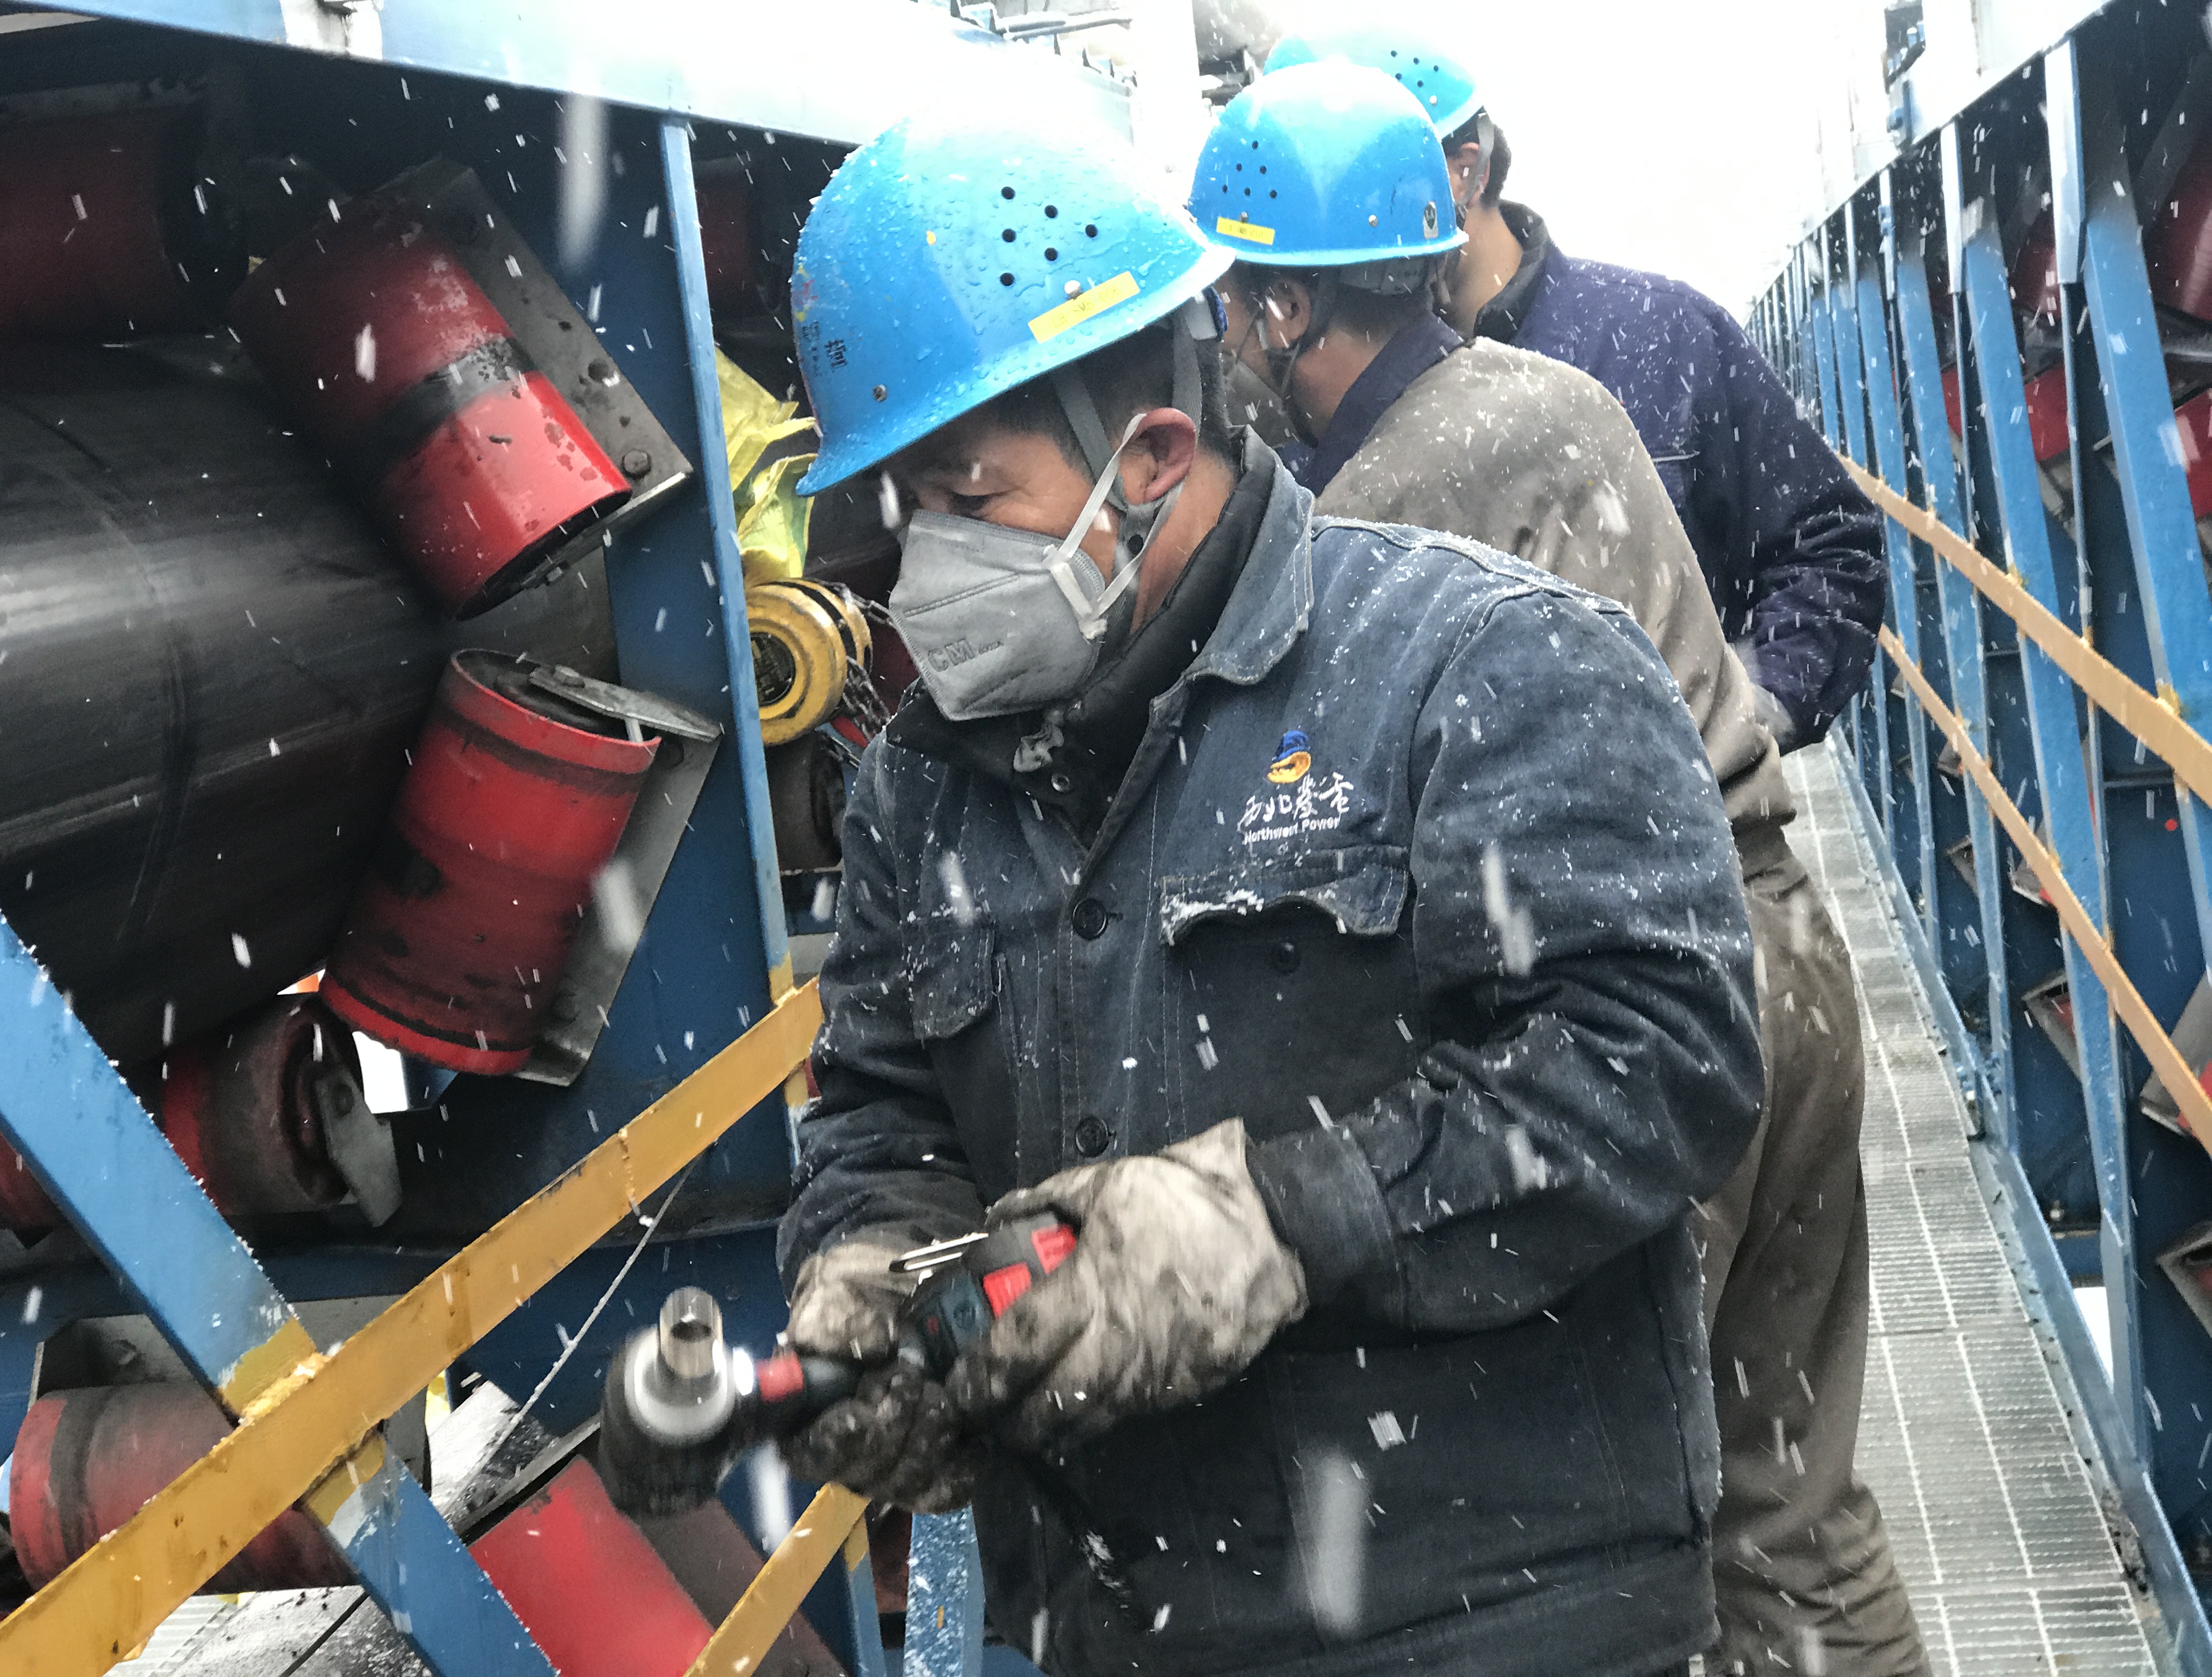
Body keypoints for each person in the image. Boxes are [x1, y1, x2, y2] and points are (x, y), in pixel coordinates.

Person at [774, 106, 1764, 1677]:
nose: (925, 571)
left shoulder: (1476, 662)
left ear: (1153, 462)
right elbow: (884, 1108)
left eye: (967, 501)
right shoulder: (923, 783)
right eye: (898, 518)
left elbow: (1663, 1059)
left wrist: (1283, 1221)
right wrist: (872, 1270)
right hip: (1117, 1626)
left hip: (1487, 1622)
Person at [1191, 59, 1929, 1677]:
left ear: (1287, 313)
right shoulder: (1556, 399)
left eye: (1238, 307)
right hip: (1780, 958)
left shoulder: (1383, 512)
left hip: (1652, 1018)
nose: (1231, 341)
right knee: (1790, 1505)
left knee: (1589, 1551)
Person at [1265, 23, 1886, 752]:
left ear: (1465, 172)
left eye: (1350, 189)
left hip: (1682, 813)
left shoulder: (1661, 337)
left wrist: (1744, 716)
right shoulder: (1302, 411)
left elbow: (1827, 543)